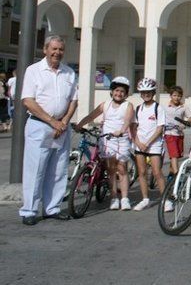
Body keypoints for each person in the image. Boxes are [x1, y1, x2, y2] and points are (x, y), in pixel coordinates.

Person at [18, 36, 79, 225]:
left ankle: (52, 208)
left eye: (60, 49)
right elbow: (28, 100)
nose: (57, 53)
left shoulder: (68, 72)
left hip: (61, 128)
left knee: (58, 169)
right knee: (35, 169)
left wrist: (64, 121)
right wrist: (52, 121)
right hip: (40, 125)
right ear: (45, 49)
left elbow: (73, 100)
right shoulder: (34, 71)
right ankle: (29, 210)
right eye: (53, 49)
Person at [75, 76, 134, 211]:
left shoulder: (128, 105)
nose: (119, 94)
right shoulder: (105, 104)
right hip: (106, 139)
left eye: (122, 92)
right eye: (116, 91)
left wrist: (121, 130)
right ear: (112, 91)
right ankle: (113, 198)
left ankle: (124, 198)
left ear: (126, 94)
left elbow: (127, 121)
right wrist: (80, 124)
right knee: (111, 170)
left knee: (122, 169)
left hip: (121, 139)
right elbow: (91, 116)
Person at [130, 78, 167, 211]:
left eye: (149, 92)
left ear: (153, 92)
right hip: (140, 145)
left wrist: (148, 143)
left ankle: (165, 199)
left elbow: (159, 128)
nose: (146, 94)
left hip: (154, 144)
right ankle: (145, 199)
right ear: (140, 93)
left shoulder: (158, 108)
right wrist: (139, 143)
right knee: (142, 172)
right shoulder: (138, 109)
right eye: (143, 92)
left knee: (157, 172)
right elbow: (133, 127)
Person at [163, 86, 191, 179]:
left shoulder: (183, 107)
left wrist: (185, 124)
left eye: (179, 96)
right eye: (174, 95)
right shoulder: (165, 107)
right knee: (174, 155)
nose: (177, 98)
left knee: (176, 156)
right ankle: (177, 176)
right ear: (171, 96)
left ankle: (171, 175)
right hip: (169, 133)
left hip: (179, 134)